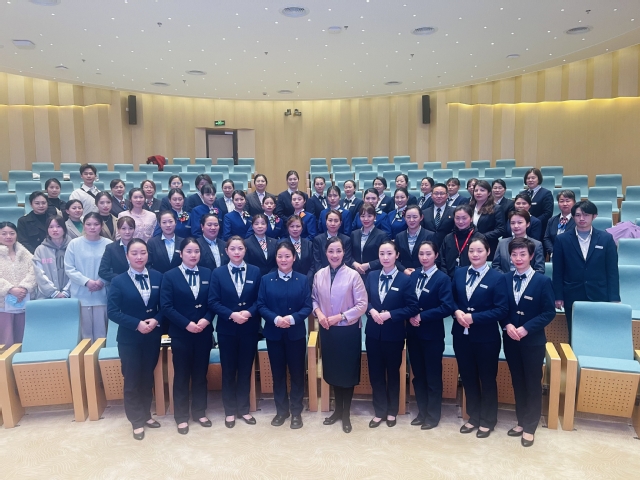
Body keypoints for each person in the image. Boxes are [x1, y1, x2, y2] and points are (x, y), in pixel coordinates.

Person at [500, 237, 556, 448]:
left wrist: (526, 328)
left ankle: (530, 426)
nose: (518, 258)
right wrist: (507, 324)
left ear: (531, 256)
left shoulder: (542, 281)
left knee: (532, 383)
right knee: (517, 381)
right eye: (514, 254)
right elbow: (501, 308)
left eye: (523, 254)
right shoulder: (505, 279)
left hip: (532, 341)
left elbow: (549, 312)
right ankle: (521, 421)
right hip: (510, 339)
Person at [452, 236, 508, 438]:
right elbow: (451, 300)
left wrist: (474, 318)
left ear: (488, 252)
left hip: (486, 338)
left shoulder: (498, 277)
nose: (475, 254)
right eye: (471, 251)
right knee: (468, 377)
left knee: (487, 379)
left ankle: (488, 420)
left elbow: (501, 309)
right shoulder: (459, 273)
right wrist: (457, 312)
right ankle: (473, 416)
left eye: (479, 251)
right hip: (461, 335)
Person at [107, 238, 163, 441]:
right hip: (129, 338)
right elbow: (112, 312)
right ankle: (136, 421)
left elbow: (165, 305)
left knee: (147, 378)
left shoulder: (158, 276)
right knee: (132, 379)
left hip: (152, 336)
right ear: (127, 256)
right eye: (134, 253)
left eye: (143, 253)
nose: (139, 257)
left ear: (148, 255)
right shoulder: (118, 281)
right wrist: (136, 323)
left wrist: (156, 320)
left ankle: (146, 414)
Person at [312, 237, 368, 434]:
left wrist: (340, 316)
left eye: (338, 251)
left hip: (348, 330)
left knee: (347, 374)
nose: (334, 255)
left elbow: (362, 305)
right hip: (328, 330)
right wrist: (319, 314)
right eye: (331, 251)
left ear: (344, 253)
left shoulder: (353, 275)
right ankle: (337, 411)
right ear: (325, 253)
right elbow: (314, 299)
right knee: (334, 372)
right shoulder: (319, 274)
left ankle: (346, 414)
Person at [257, 241, 313, 429]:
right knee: (278, 374)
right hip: (274, 334)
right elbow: (261, 305)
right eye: (280, 256)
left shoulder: (302, 279)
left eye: (287, 256)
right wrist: (275, 319)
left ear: (294, 258)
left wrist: (291, 318)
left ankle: (296, 412)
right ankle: (281, 411)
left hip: (295, 334)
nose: (283, 260)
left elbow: (307, 306)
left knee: (297, 374)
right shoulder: (266, 279)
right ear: (276, 258)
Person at [160, 237, 213, 434]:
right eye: (189, 251)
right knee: (182, 375)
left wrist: (206, 320)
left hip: (203, 332)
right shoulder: (170, 276)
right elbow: (166, 306)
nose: (193, 255)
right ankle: (181, 417)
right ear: (180, 254)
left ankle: (199, 412)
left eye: (196, 251)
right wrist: (186, 324)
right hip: (181, 333)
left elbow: (213, 301)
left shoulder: (208, 273)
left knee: (200, 374)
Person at [364, 240, 419, 428]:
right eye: (382, 254)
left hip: (394, 334)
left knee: (393, 374)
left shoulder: (405, 279)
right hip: (373, 333)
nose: (385, 257)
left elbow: (412, 307)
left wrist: (391, 315)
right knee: (376, 373)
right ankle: (379, 411)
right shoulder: (371, 276)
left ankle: (392, 411)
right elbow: (364, 300)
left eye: (389, 253)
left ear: (397, 255)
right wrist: (371, 311)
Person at [209, 236, 262, 428]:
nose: (237, 252)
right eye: (233, 248)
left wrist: (248, 312)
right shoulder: (218, 273)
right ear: (226, 251)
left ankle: (244, 409)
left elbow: (260, 299)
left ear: (245, 250)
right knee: (229, 371)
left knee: (246, 369)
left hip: (249, 328)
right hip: (227, 329)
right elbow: (213, 301)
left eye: (240, 248)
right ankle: (230, 411)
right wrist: (231, 314)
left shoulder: (255, 271)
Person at [407, 241, 455, 429]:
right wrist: (410, 315)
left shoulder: (443, 279)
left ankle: (433, 416)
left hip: (432, 335)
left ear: (436, 255)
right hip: (413, 333)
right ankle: (422, 412)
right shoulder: (414, 275)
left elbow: (446, 307)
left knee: (433, 376)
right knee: (418, 375)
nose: (424, 257)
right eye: (421, 254)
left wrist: (421, 316)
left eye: (428, 254)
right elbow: (407, 300)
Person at [552, 200, 620, 334]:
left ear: (594, 216)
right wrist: (558, 296)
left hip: (599, 293)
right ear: (573, 217)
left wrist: (614, 297)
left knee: (599, 332)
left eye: (586, 215)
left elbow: (612, 270)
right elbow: (558, 271)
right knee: (574, 333)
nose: (582, 218)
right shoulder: (562, 239)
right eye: (578, 215)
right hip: (572, 293)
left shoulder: (606, 238)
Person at [64, 212, 112, 341]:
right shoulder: (74, 244)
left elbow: (113, 268)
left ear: (101, 226)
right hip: (81, 295)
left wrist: (102, 281)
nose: (92, 227)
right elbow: (69, 268)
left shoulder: (109, 244)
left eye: (96, 224)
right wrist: (86, 282)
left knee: (102, 335)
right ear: (84, 225)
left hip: (102, 295)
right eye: (88, 224)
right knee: (84, 336)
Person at [0, 221, 36, 346]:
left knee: (24, 340)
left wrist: (24, 288)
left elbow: (34, 272)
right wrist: (10, 289)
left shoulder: (25, 253)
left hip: (23, 302)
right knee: (6, 341)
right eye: (4, 233)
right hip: (3, 306)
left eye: (12, 233)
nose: (8, 236)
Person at [33, 215, 70, 299]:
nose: (55, 230)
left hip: (70, 295)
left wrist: (66, 292)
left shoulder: (72, 247)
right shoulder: (40, 250)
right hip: (46, 296)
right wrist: (54, 293)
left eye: (58, 226)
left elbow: (76, 270)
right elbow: (39, 274)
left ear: (64, 228)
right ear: (47, 230)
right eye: (51, 227)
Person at [439, 205, 481, 278]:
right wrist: (446, 277)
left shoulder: (479, 238)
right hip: (449, 278)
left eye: (464, 218)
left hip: (471, 278)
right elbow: (442, 260)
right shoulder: (448, 238)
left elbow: (481, 260)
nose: (460, 221)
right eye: (457, 218)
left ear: (471, 219)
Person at [468, 180, 504, 260]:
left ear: (489, 193)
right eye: (476, 190)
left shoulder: (496, 208)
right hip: (470, 244)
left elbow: (500, 229)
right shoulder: (469, 207)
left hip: (488, 245)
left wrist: (481, 236)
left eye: (482, 190)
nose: (478, 193)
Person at [350, 204, 389, 278]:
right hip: (355, 273)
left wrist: (369, 265)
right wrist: (354, 263)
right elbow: (349, 254)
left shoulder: (382, 235)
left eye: (369, 216)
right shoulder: (354, 234)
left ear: (375, 217)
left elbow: (386, 256)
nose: (366, 219)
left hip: (374, 274)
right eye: (362, 216)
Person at [395, 205, 435, 272]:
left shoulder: (430, 235)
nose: (411, 220)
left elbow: (435, 258)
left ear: (421, 217)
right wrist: (404, 270)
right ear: (404, 218)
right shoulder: (399, 236)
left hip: (424, 272)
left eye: (415, 217)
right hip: (404, 273)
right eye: (408, 217)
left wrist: (417, 270)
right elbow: (395, 258)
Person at [99, 216, 136, 283]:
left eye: (130, 228)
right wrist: (122, 279)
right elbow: (103, 271)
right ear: (118, 230)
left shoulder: (141, 245)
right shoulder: (111, 248)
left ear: (134, 229)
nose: (127, 232)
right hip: (120, 284)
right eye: (123, 228)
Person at [280, 215, 314, 284]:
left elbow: (313, 265)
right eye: (292, 226)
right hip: (288, 281)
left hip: (306, 282)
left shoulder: (309, 244)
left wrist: (307, 279)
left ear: (302, 228)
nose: (295, 229)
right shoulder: (281, 244)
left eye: (298, 226)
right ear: (288, 228)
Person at [543, 189, 576, 258]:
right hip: (554, 255)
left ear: (574, 202)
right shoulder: (552, 220)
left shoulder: (578, 220)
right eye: (561, 201)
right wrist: (553, 251)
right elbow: (546, 238)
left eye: (568, 201)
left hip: (572, 256)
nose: (565, 204)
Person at [521, 168, 554, 236]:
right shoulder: (522, 194)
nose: (530, 180)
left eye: (533, 178)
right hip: (523, 228)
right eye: (528, 178)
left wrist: (533, 222)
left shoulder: (546, 193)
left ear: (539, 179)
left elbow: (547, 213)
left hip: (540, 228)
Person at [422, 183, 455, 249]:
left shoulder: (453, 212)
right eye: (436, 193)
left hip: (448, 247)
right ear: (431, 195)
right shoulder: (424, 212)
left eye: (442, 193)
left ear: (447, 195)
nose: (439, 196)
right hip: (429, 248)